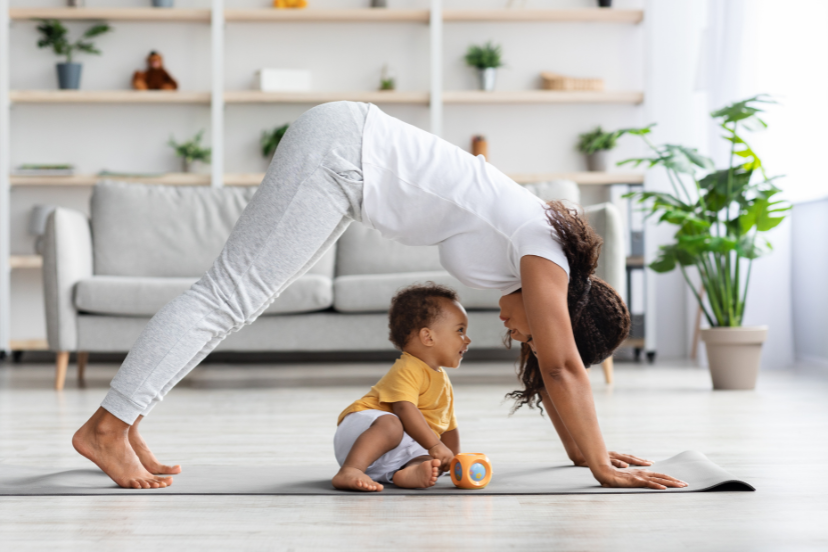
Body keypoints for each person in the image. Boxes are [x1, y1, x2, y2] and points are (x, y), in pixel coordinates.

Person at [72, 101, 686, 491]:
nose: (513, 333)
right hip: (342, 153)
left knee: (240, 302)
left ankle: (125, 425)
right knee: (228, 297)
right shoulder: (544, 251)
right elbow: (561, 366)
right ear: (565, 314)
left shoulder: (535, 263)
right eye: (526, 332)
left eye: (521, 336)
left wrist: (589, 454)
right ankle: (106, 428)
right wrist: (604, 469)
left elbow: (550, 372)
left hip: (347, 166)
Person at [332, 284, 467, 492]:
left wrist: (453, 460)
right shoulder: (408, 367)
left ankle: (406, 473)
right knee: (392, 424)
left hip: (387, 453)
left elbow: (448, 425)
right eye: (460, 330)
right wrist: (436, 446)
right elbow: (404, 409)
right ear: (428, 337)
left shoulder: (442, 380)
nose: (467, 340)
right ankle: (350, 469)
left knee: (429, 461)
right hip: (362, 433)